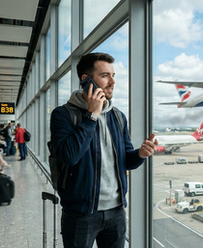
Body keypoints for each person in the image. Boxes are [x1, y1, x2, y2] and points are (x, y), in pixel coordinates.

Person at [50, 52, 158, 248]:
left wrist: (141, 154)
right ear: (86, 80)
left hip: (116, 211)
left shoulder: (117, 116)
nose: (112, 82)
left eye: (113, 75)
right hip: (80, 213)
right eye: (105, 75)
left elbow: (126, 161)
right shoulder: (63, 115)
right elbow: (69, 156)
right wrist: (92, 116)